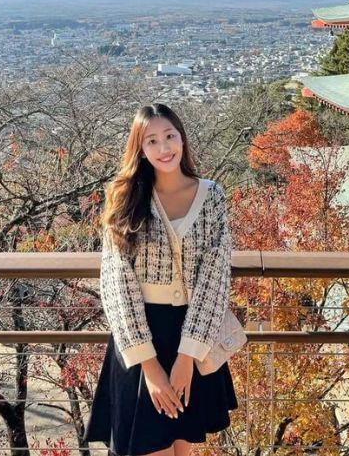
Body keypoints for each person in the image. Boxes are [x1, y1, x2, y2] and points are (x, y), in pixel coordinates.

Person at [83, 103, 238, 455]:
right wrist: (150, 369)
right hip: (140, 339)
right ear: (139, 148)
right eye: (152, 140)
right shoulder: (124, 198)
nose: (164, 148)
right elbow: (116, 284)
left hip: (193, 335)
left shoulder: (211, 195)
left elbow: (215, 276)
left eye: (170, 136)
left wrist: (187, 359)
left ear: (182, 139)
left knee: (182, 450)